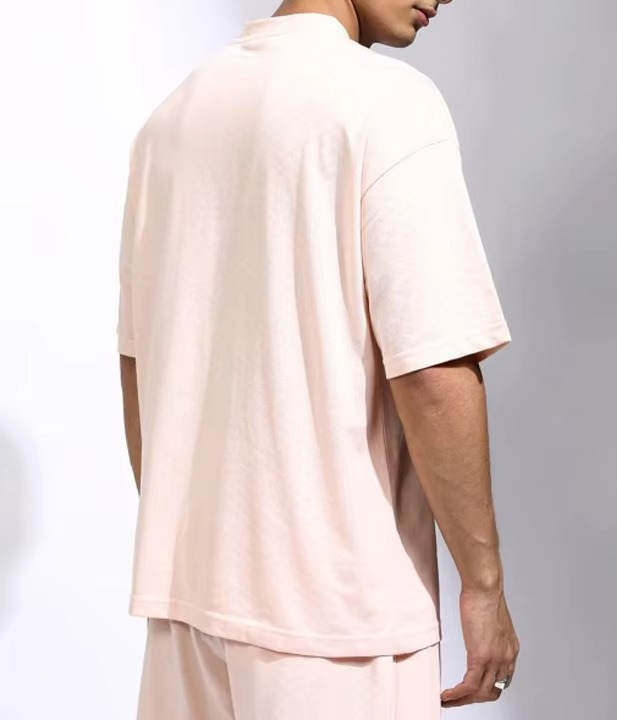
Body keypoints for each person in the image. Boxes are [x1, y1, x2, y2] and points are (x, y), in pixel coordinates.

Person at [117, 0, 520, 717]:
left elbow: (140, 364)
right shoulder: (386, 104)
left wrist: (200, 545)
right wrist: (483, 584)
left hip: (188, 606)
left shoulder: (172, 120)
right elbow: (431, 369)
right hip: (339, 620)